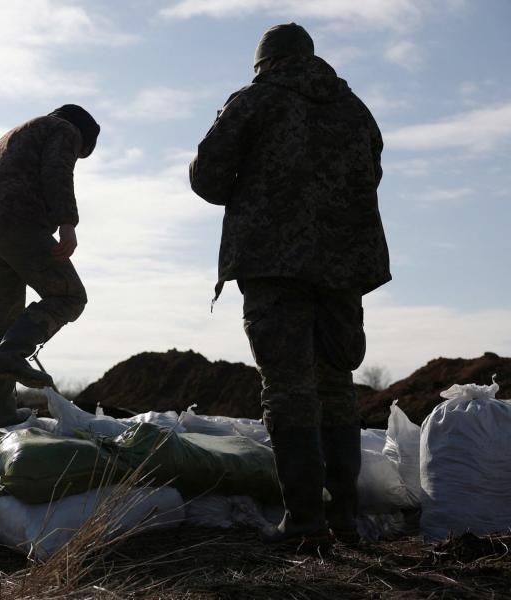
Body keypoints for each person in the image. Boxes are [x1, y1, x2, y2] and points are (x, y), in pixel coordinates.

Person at [189, 23, 390, 545]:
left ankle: (303, 521)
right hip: (345, 266)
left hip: (274, 260)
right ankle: (344, 518)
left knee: (288, 386)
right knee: (336, 384)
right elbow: (372, 173)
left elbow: (208, 178)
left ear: (265, 62)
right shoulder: (355, 110)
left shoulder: (257, 101)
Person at [0, 104, 99, 428]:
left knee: (5, 324)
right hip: (19, 222)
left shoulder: (12, 135)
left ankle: (2, 413)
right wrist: (67, 222)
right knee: (70, 296)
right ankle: (13, 354)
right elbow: (56, 170)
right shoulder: (64, 130)